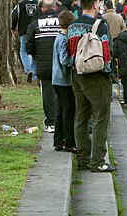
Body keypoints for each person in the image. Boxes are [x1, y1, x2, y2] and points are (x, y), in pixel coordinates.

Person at [67, 0, 116, 172]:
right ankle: (97, 161)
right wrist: (109, 73)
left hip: (77, 74)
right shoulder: (100, 25)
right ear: (95, 5)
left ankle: (83, 158)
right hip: (96, 76)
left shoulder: (72, 26)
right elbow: (106, 52)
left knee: (81, 116)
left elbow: (68, 52)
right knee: (101, 117)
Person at [27, 0, 60, 133]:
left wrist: (36, 55)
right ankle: (61, 120)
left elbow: (29, 46)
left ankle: (51, 122)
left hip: (43, 63)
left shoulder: (35, 24)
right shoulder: (63, 22)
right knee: (62, 91)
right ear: (54, 7)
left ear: (42, 9)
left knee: (47, 92)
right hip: (61, 63)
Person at [52, 10, 76, 152]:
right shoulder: (64, 39)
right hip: (64, 80)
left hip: (57, 79)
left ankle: (58, 140)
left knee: (61, 110)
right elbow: (64, 59)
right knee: (68, 110)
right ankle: (69, 141)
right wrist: (74, 60)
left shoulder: (58, 37)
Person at [11, 0, 39, 83]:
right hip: (36, 31)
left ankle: (28, 69)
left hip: (24, 31)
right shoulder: (37, 3)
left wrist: (13, 27)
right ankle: (34, 74)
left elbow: (14, 15)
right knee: (34, 52)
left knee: (23, 51)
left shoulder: (20, 4)